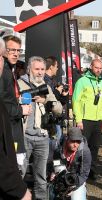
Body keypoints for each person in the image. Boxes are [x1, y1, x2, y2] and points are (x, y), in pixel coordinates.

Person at [18, 56, 63, 200]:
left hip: (43, 138)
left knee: (41, 177)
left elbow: (59, 109)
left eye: (42, 69)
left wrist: (46, 101)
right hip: (23, 136)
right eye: (37, 69)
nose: (40, 72)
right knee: (19, 173)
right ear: (29, 69)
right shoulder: (19, 84)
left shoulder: (47, 87)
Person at [0, 36, 32, 200]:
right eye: (11, 50)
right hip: (8, 133)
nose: (15, 54)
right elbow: (3, 106)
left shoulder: (9, 71)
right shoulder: (4, 72)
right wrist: (21, 109)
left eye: (18, 50)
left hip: (13, 130)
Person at [72, 59, 102, 180]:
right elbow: (76, 100)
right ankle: (79, 170)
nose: (98, 70)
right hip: (85, 119)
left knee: (95, 147)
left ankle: (92, 171)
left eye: (100, 68)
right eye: (96, 67)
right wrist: (78, 119)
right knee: (82, 146)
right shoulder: (82, 81)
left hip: (98, 120)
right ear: (91, 66)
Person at [49, 127, 91, 200]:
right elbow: (54, 163)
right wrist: (53, 173)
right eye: (73, 141)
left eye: (78, 141)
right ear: (67, 139)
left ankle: (82, 190)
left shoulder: (85, 152)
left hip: (76, 180)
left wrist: (74, 186)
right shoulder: (58, 146)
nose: (75, 144)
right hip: (60, 175)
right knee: (50, 194)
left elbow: (84, 174)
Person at [44, 56, 68, 144]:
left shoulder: (53, 80)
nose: (58, 68)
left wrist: (64, 96)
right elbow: (48, 101)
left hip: (56, 118)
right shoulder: (44, 81)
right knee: (52, 144)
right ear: (51, 67)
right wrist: (57, 92)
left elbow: (59, 101)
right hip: (48, 119)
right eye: (57, 66)